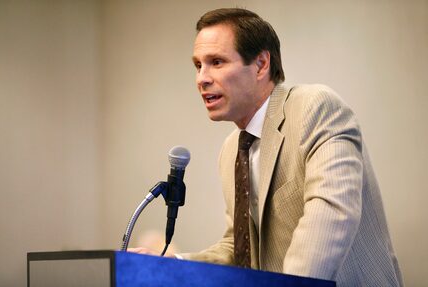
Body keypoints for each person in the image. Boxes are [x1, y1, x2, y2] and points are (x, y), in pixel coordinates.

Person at [130, 8, 404, 286]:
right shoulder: (230, 151)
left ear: (261, 64)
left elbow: (330, 215)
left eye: (217, 62)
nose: (202, 78)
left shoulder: (315, 108)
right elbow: (238, 249)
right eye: (198, 65)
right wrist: (170, 265)